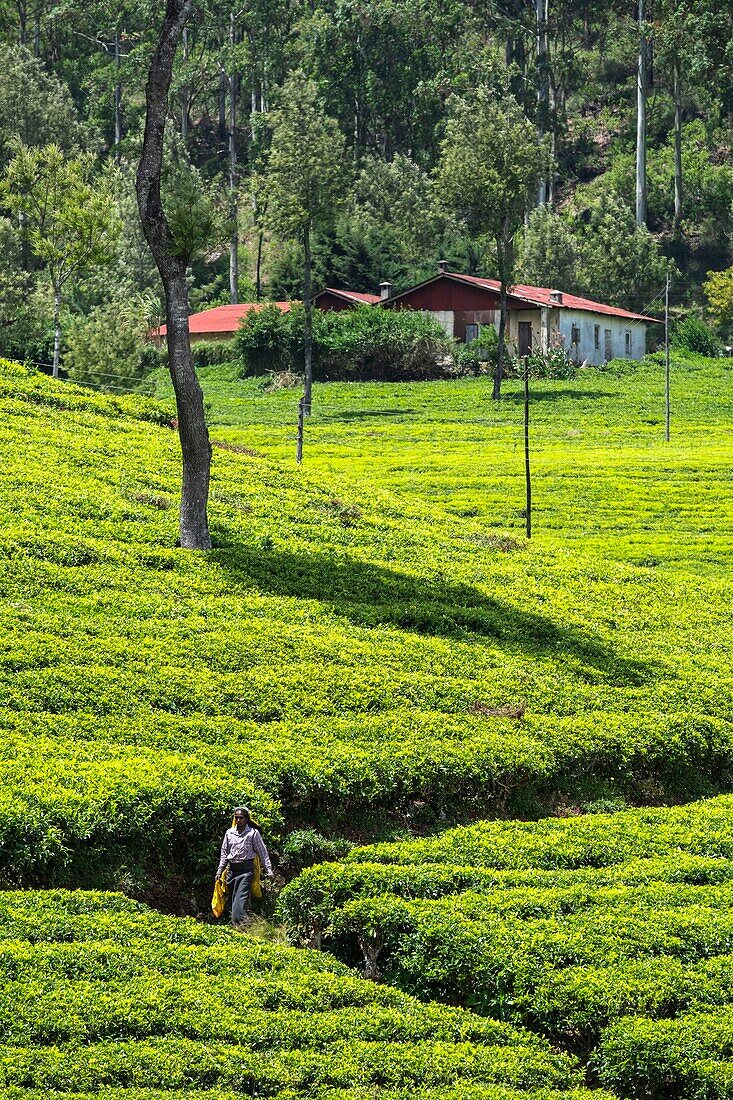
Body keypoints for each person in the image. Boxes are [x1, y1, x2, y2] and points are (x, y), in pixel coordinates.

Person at [215, 806, 274, 928]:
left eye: (240, 818)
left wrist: (269, 870)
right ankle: (239, 928)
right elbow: (224, 854)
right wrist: (220, 871)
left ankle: (244, 926)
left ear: (246, 819)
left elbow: (262, 852)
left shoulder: (253, 833)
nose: (238, 820)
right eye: (236, 818)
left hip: (246, 871)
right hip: (232, 871)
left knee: (240, 901)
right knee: (233, 901)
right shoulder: (229, 833)